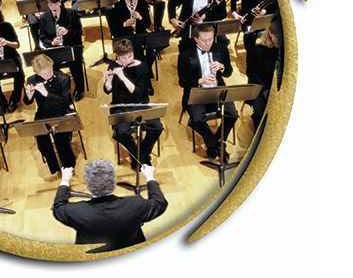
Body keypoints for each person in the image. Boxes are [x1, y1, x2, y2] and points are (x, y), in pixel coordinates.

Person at [52, 159, 168, 251]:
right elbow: (159, 203)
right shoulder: (135, 204)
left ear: (88, 185)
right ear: (113, 182)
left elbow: (58, 207)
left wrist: (65, 180)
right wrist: (150, 177)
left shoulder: (76, 212)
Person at [177, 23, 238, 161]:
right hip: (196, 92)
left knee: (232, 114)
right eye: (204, 40)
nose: (208, 43)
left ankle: (215, 144)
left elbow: (228, 72)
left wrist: (222, 67)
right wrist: (200, 80)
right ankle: (217, 146)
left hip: (218, 90)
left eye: (210, 39)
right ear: (196, 39)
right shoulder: (185, 56)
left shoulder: (221, 49)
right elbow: (182, 81)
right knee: (197, 119)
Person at [103, 38, 163, 168]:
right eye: (123, 58)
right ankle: (138, 156)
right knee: (121, 133)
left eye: (130, 56)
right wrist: (108, 80)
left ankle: (142, 154)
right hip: (120, 106)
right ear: (117, 56)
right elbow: (107, 90)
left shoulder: (142, 67)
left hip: (140, 104)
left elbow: (138, 93)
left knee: (157, 127)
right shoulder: (113, 66)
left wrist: (123, 77)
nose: (127, 60)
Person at [23, 54, 77, 174]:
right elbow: (27, 102)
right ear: (37, 73)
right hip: (43, 114)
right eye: (44, 74)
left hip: (61, 113)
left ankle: (69, 165)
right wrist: (29, 96)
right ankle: (55, 168)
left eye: (49, 71)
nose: (48, 75)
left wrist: (47, 94)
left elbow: (65, 102)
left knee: (61, 141)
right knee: (42, 143)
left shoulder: (63, 78)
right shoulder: (32, 80)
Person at [38, 0, 86, 100]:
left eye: (55, 4)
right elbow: (42, 38)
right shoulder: (44, 18)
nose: (53, 7)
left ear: (60, 2)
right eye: (50, 5)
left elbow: (79, 32)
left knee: (75, 63)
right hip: (55, 49)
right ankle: (59, 88)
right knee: (48, 65)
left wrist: (68, 32)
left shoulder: (71, 13)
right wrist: (52, 42)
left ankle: (80, 89)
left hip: (71, 45)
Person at [246, 18, 282, 130]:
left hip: (280, 89)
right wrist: (265, 91)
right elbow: (251, 73)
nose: (281, 41)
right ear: (270, 33)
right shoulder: (259, 49)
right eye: (278, 38)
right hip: (262, 87)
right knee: (261, 109)